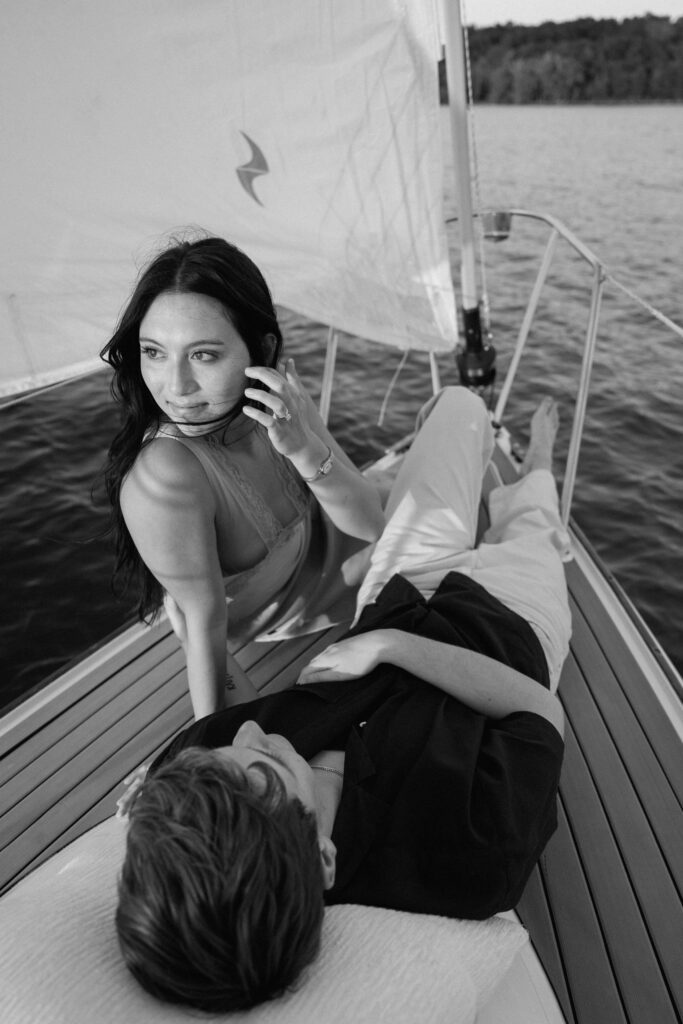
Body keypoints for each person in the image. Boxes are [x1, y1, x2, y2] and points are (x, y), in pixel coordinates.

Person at [115, 386, 572, 1013]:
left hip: (406, 586)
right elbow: (540, 714)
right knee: (535, 528)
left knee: (460, 406)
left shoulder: (214, 781)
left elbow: (204, 752)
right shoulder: (472, 850)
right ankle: (535, 465)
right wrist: (393, 649)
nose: (246, 733)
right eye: (270, 763)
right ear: (323, 858)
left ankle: (483, 463)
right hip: (512, 625)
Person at [101, 235, 384, 719]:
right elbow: (204, 622)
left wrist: (304, 447)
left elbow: (370, 525)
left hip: (351, 555)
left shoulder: (277, 409)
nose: (174, 386)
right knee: (461, 424)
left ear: (262, 349)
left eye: (203, 355)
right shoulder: (167, 473)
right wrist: (212, 740)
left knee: (459, 423)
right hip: (299, 610)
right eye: (153, 352)